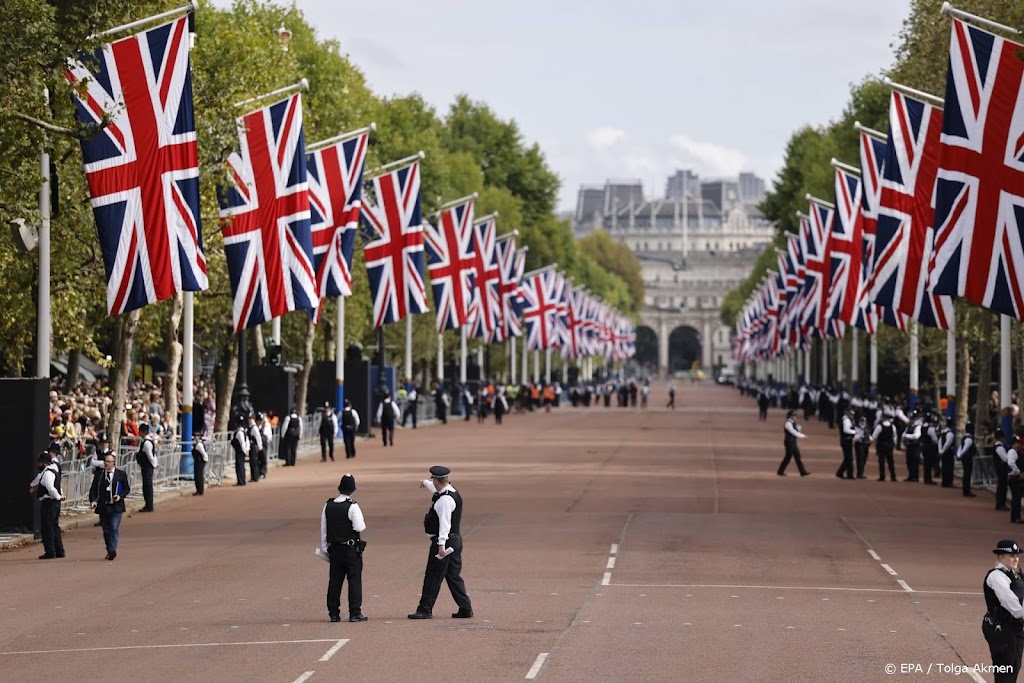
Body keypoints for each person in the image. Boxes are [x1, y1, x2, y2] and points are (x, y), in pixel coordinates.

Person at [408, 466, 474, 620]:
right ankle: (465, 608)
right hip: (455, 541)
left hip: (445, 542)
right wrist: (425, 483)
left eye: (433, 481)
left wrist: (441, 545)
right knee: (453, 576)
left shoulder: (444, 501)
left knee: (433, 575)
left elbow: (445, 525)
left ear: (437, 481)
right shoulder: (449, 491)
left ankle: (425, 609)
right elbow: (435, 489)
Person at [321, 474, 367, 623]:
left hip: (334, 549)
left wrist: (325, 548)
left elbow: (324, 529)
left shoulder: (328, 505)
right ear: (353, 489)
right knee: (354, 580)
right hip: (350, 549)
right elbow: (359, 527)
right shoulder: (352, 506)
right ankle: (355, 612)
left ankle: (334, 613)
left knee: (334, 581)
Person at [982, 540, 1024, 682]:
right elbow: (1010, 603)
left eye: (1017, 555)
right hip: (1000, 628)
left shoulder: (1016, 574)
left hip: (1015, 627)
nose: (1015, 559)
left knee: (1014, 667)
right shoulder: (997, 576)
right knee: (1005, 670)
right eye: (1011, 556)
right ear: (1001, 557)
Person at [89, 451, 130, 560]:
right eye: (105, 461)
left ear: (114, 463)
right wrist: (93, 500)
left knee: (114, 527)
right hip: (104, 506)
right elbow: (93, 489)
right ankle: (109, 549)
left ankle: (112, 550)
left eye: (108, 461)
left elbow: (126, 489)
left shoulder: (121, 474)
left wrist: (120, 496)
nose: (106, 463)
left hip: (116, 506)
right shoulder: (99, 475)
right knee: (106, 530)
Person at [30, 451, 65, 559]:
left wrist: (58, 496)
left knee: (47, 527)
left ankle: (50, 551)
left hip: (49, 502)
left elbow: (50, 488)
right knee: (54, 527)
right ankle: (59, 551)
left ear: (44, 463)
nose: (38, 465)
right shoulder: (50, 471)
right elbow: (37, 481)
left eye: (39, 462)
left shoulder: (47, 474)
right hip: (54, 503)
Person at [777, 409, 810, 477]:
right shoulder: (788, 423)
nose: (795, 417)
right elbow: (793, 432)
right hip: (789, 442)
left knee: (797, 456)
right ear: (790, 416)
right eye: (794, 415)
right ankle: (780, 471)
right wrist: (802, 436)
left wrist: (799, 429)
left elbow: (797, 431)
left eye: (795, 415)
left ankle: (802, 472)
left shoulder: (793, 423)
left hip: (793, 442)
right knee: (788, 457)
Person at [135, 422, 157, 511]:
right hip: (147, 466)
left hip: (147, 466)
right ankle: (148, 504)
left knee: (147, 486)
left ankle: (149, 505)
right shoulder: (146, 441)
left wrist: (154, 464)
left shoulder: (147, 443)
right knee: (146, 485)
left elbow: (150, 455)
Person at [872, 414, 898, 482]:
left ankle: (882, 476)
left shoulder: (879, 426)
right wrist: (894, 444)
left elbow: (874, 436)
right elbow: (894, 436)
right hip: (889, 445)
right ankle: (893, 476)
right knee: (890, 461)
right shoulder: (892, 426)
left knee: (881, 461)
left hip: (881, 445)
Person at [959, 422, 979, 498]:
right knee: (967, 474)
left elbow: (961, 448)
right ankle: (966, 490)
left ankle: (966, 489)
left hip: (965, 458)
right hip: (967, 458)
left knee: (966, 474)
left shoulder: (965, 437)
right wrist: (960, 455)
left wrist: (959, 455)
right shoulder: (969, 439)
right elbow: (964, 449)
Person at [836, 407, 856, 480]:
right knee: (849, 458)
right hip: (846, 440)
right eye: (851, 414)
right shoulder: (846, 420)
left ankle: (841, 472)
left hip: (846, 440)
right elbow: (846, 430)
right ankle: (848, 474)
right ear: (847, 413)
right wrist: (855, 432)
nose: (852, 415)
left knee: (848, 458)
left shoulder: (846, 419)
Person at [231, 417, 249, 486]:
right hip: (241, 451)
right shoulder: (243, 432)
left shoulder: (239, 433)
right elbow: (246, 442)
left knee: (240, 466)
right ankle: (241, 480)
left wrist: (245, 451)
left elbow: (242, 443)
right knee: (241, 466)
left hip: (240, 452)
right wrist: (247, 450)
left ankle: (241, 481)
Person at [1009, 437, 1024, 525]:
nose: (1019, 445)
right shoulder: (1012, 452)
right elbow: (1011, 463)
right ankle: (1016, 517)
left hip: (1016, 477)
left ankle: (1015, 517)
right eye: (1018, 443)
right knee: (1016, 498)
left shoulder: (1016, 452)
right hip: (1014, 477)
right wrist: (1018, 472)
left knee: (1017, 498)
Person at [939, 417, 957, 488]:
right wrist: (942, 451)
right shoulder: (950, 433)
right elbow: (947, 444)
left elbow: (940, 442)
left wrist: (940, 451)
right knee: (948, 467)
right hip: (948, 452)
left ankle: (945, 481)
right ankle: (948, 482)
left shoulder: (943, 432)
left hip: (944, 452)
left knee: (944, 467)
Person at [997, 428, 1012, 511]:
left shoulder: (1000, 446)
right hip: (1001, 469)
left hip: (1001, 469)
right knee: (1002, 487)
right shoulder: (999, 447)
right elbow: (1005, 459)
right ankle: (1000, 504)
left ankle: (1000, 503)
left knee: (1002, 487)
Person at [854, 415, 871, 479]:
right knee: (860, 459)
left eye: (864, 421)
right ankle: (859, 473)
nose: (862, 422)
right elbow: (855, 437)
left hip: (866, 444)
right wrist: (859, 436)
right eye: (861, 421)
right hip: (859, 444)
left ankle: (861, 472)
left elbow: (870, 435)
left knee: (864, 459)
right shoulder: (856, 428)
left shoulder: (867, 428)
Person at [248, 413, 263, 482]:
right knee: (252, 462)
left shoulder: (254, 428)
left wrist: (260, 447)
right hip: (251, 446)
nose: (249, 420)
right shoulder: (250, 427)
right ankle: (253, 476)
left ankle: (255, 476)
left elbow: (258, 437)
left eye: (250, 419)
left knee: (254, 461)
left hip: (254, 446)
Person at [192, 432, 208, 496]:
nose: (195, 437)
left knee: (199, 475)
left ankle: (200, 490)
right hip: (198, 461)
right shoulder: (197, 443)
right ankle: (199, 490)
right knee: (198, 475)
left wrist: (205, 459)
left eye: (196, 436)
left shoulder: (199, 444)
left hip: (200, 461)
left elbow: (203, 453)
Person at [258, 413, 271, 479]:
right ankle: (260, 472)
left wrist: (268, 440)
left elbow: (268, 433)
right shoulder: (259, 425)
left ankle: (263, 472)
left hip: (264, 442)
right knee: (259, 458)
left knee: (263, 458)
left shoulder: (266, 424)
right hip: (260, 442)